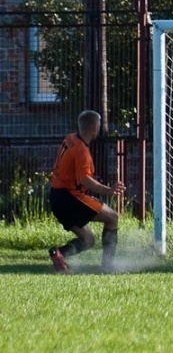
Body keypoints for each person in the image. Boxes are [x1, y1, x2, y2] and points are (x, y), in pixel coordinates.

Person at [48, 110, 126, 274]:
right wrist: (108, 190)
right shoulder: (82, 151)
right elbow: (85, 180)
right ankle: (107, 266)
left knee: (88, 240)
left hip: (56, 197)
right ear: (95, 127)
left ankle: (59, 254)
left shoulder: (71, 138)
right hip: (69, 197)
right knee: (112, 217)